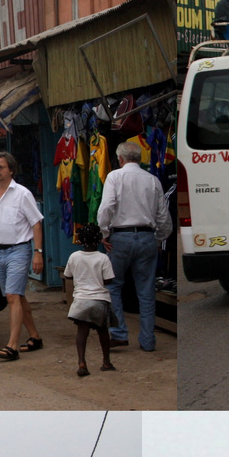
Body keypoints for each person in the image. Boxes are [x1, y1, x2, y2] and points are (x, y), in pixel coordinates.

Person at [97, 138, 171, 352]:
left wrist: (104, 233)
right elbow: (164, 218)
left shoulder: (114, 177)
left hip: (120, 238)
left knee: (113, 286)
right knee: (146, 291)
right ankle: (147, 341)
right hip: (147, 237)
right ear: (139, 159)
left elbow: (106, 208)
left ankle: (119, 334)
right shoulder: (152, 180)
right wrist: (158, 239)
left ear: (120, 159)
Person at [0, 151, 44, 361]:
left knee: (13, 297)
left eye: (1, 167)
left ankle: (11, 346)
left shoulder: (22, 194)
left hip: (19, 250)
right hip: (0, 251)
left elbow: (36, 223)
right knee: (16, 296)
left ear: (11, 170)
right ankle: (35, 337)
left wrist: (38, 253)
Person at [63, 224, 116, 376]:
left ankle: (82, 363)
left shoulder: (74, 257)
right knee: (103, 331)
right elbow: (109, 280)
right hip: (99, 300)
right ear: (99, 240)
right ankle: (106, 362)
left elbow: (68, 275)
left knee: (82, 332)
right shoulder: (103, 258)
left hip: (80, 300)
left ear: (79, 240)